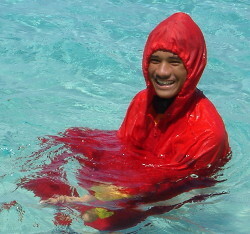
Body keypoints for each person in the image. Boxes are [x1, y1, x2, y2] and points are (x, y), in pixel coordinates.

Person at [20, 12, 231, 231]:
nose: (162, 72)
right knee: (70, 138)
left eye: (174, 62)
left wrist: (100, 197)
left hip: (173, 189)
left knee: (99, 219)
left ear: (193, 67)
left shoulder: (207, 133)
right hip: (143, 169)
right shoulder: (143, 100)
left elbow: (170, 187)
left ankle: (69, 209)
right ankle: (52, 204)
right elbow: (124, 147)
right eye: (155, 60)